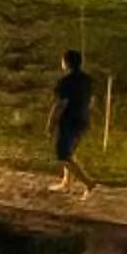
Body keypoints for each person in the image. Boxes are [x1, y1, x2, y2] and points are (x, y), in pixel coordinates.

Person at [50, 48, 96, 196]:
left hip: (69, 121)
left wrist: (51, 121)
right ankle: (66, 183)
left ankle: (88, 182)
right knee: (70, 152)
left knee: (62, 154)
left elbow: (60, 104)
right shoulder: (87, 79)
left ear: (66, 63)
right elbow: (92, 100)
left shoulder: (65, 81)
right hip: (83, 119)